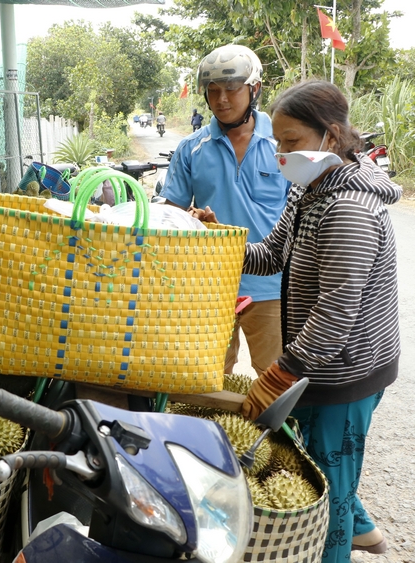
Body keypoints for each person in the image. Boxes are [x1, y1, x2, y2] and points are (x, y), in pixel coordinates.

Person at [240, 79, 399, 560]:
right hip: (316, 365)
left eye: (292, 142)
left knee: (330, 492)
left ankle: (340, 540)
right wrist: (220, 242)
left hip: (347, 371)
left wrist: (282, 371)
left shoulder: (348, 208)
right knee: (319, 464)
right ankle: (365, 529)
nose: (281, 153)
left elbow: (335, 313)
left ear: (330, 137)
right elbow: (270, 256)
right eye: (279, 141)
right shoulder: (307, 190)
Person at [161, 44, 290, 376]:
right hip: (209, 285)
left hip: (272, 287)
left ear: (254, 89)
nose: (222, 99)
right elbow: (168, 216)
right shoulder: (191, 148)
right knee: (207, 381)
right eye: (213, 90)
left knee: (276, 383)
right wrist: (186, 219)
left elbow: (301, 215)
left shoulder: (284, 144)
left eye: (232, 89)